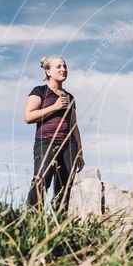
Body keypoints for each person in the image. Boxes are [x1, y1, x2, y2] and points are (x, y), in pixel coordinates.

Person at [24, 55, 85, 211]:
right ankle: (31, 221)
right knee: (41, 182)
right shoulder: (39, 91)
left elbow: (74, 126)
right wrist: (55, 107)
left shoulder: (70, 97)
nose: (63, 69)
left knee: (64, 188)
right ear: (48, 71)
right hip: (46, 142)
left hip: (69, 145)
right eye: (58, 66)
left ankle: (58, 225)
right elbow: (28, 116)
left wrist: (79, 152)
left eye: (65, 66)